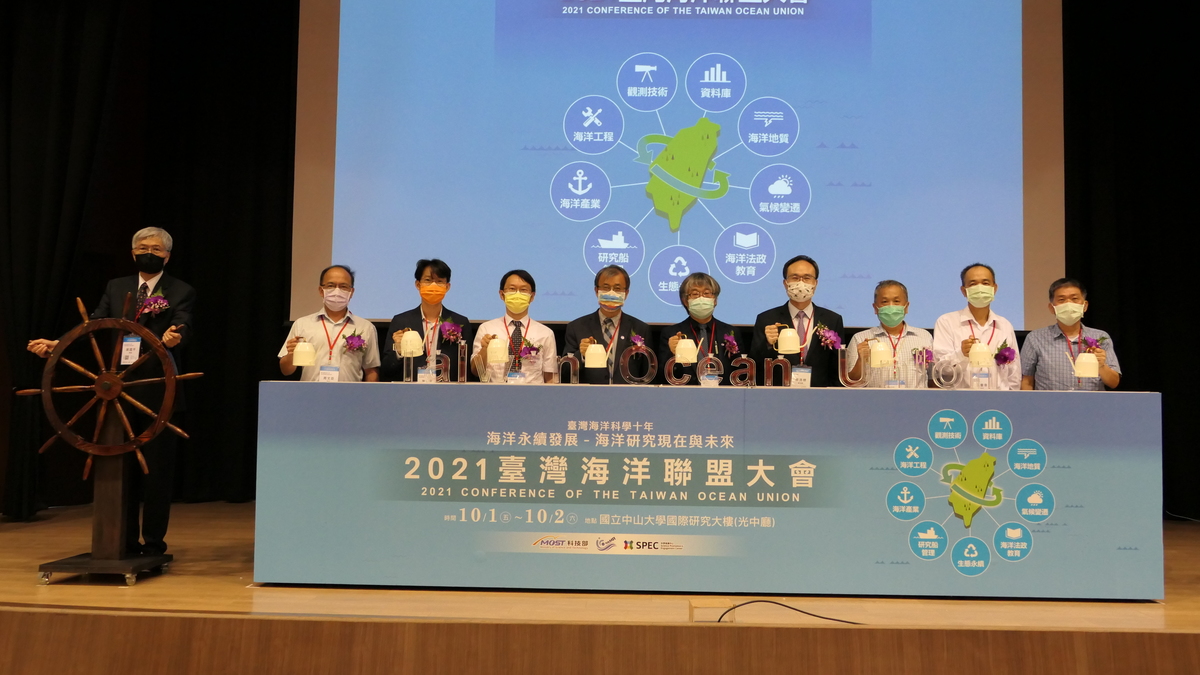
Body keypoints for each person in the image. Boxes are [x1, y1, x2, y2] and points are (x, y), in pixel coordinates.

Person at [28, 227, 195, 557]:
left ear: (167, 256)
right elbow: (93, 323)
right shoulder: (116, 286)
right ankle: (124, 540)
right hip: (116, 391)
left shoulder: (181, 290)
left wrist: (177, 336)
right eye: (143, 247)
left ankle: (154, 544)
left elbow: (183, 324)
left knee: (157, 474)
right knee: (122, 470)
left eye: (156, 248)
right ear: (133, 253)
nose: (149, 252)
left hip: (157, 390)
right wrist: (57, 344)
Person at [749, 255, 844, 386]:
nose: (801, 283)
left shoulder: (832, 320)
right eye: (794, 278)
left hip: (820, 396)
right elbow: (754, 364)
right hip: (779, 395)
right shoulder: (766, 319)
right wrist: (768, 344)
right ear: (785, 283)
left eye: (807, 278)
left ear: (815, 283)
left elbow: (836, 367)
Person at [279, 265, 381, 382]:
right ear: (321, 291)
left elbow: (371, 370)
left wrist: (367, 399)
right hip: (310, 395)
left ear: (351, 292)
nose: (337, 291)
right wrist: (291, 355)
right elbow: (286, 371)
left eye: (343, 286)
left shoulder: (366, 327)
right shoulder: (302, 324)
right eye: (331, 286)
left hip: (350, 396)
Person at [379, 259, 474, 382]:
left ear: (447, 286)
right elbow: (387, 369)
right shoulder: (401, 321)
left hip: (448, 392)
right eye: (428, 280)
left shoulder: (460, 322)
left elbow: (467, 369)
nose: (433, 286)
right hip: (410, 392)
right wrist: (398, 351)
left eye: (439, 281)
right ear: (418, 285)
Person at [931, 263, 1021, 390]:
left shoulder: (1004, 325)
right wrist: (960, 354)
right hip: (960, 401)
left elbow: (1014, 374)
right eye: (973, 284)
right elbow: (941, 370)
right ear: (964, 291)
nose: (980, 288)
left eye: (985, 283)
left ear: (994, 288)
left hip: (999, 401)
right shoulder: (947, 322)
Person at [1020, 278, 1120, 390]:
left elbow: (1114, 382)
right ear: (1052, 308)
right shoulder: (1035, 338)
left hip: (1091, 405)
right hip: (1050, 406)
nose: (1068, 304)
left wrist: (1101, 365)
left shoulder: (1101, 337)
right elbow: (1026, 381)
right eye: (1061, 300)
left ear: (1085, 306)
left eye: (1074, 299)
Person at [562, 265, 651, 384]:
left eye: (617, 288)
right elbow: (565, 372)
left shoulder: (640, 328)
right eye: (606, 287)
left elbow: (648, 373)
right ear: (596, 291)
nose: (611, 293)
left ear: (626, 293)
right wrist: (581, 355)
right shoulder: (576, 327)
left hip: (628, 398)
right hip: (589, 398)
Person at [472, 270, 557, 384]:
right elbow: (475, 371)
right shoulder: (487, 329)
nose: (517, 294)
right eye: (512, 289)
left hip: (533, 396)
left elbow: (550, 377)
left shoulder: (545, 333)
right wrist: (484, 349)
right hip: (495, 393)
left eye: (523, 290)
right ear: (502, 295)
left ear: (532, 296)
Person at [658, 272, 744, 386]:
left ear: (715, 300)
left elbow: (741, 372)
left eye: (707, 293)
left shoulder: (730, 332)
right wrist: (672, 354)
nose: (701, 298)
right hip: (684, 397)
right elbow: (660, 376)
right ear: (685, 301)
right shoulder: (671, 334)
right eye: (695, 294)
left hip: (725, 397)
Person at [845, 280, 934, 388]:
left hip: (915, 402)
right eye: (884, 302)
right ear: (875, 308)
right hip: (874, 402)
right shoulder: (860, 339)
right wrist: (861, 360)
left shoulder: (924, 337)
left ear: (906, 307)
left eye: (896, 301)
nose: (891, 306)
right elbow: (851, 383)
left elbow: (932, 379)